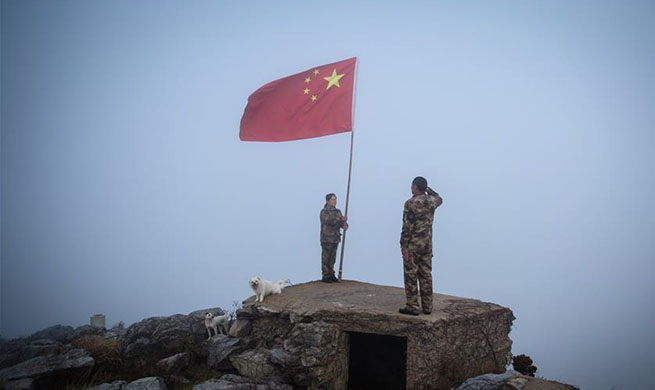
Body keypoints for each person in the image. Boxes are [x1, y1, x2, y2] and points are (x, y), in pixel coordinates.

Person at [399, 176, 443, 315]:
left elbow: (407, 227)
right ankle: (427, 306)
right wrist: (429, 190)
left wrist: (404, 246)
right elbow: (439, 198)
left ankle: (412, 306)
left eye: (412, 185)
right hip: (427, 245)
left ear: (415, 187)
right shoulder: (431, 201)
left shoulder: (410, 203)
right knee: (426, 275)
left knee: (411, 276)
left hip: (413, 246)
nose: (411, 187)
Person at [320, 193, 348, 283]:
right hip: (326, 238)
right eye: (333, 199)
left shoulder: (337, 211)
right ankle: (326, 275)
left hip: (335, 238)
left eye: (335, 199)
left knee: (333, 257)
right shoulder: (324, 211)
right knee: (326, 257)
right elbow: (328, 221)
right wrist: (341, 219)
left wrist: (344, 224)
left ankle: (331, 274)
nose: (334, 201)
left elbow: (341, 223)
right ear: (328, 201)